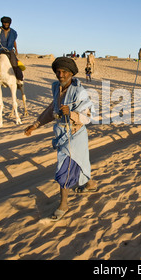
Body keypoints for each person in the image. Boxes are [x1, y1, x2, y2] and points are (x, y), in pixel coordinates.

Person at [24, 57, 97, 221]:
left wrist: (71, 113)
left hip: (75, 135)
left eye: (64, 72)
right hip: (61, 134)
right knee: (80, 163)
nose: (60, 74)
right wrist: (35, 125)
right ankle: (90, 184)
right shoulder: (56, 87)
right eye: (58, 71)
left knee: (64, 168)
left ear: (71, 73)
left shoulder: (80, 92)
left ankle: (64, 204)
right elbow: (52, 109)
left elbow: (87, 117)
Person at [0, 16, 23, 82]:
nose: (6, 24)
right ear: (2, 23)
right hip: (0, 50)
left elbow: (14, 41)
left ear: (9, 24)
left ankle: (18, 79)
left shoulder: (13, 32)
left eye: (7, 23)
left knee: (15, 64)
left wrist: (16, 50)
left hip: (10, 50)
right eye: (4, 23)